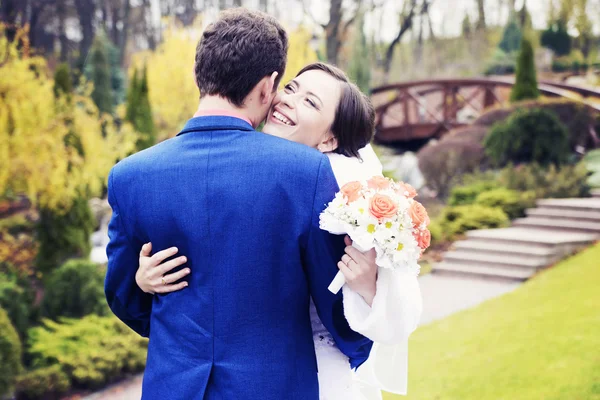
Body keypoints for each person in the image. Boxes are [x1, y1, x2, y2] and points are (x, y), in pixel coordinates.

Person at [105, 9, 374, 400]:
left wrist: (151, 292)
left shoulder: (129, 176)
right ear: (268, 87)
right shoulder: (306, 171)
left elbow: (123, 298)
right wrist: (359, 345)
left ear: (201, 74)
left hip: (173, 387)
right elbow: (333, 302)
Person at [134, 63, 423, 399]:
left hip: (312, 372)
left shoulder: (349, 198)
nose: (289, 100)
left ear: (330, 138)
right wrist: (143, 281)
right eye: (291, 89)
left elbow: (395, 308)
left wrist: (368, 285)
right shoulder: (226, 164)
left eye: (311, 102)